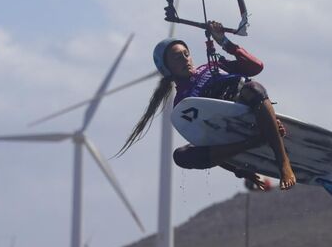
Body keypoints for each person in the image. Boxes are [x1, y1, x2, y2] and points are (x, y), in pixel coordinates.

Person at [118, 21, 296, 190]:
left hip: (249, 107)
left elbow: (256, 67)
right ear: (167, 67)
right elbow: (205, 141)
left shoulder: (214, 66)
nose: (184, 59)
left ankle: (283, 163)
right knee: (180, 156)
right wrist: (239, 170)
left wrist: (223, 41)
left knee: (254, 88)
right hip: (231, 138)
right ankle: (258, 139)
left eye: (186, 54)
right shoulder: (183, 104)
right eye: (177, 57)